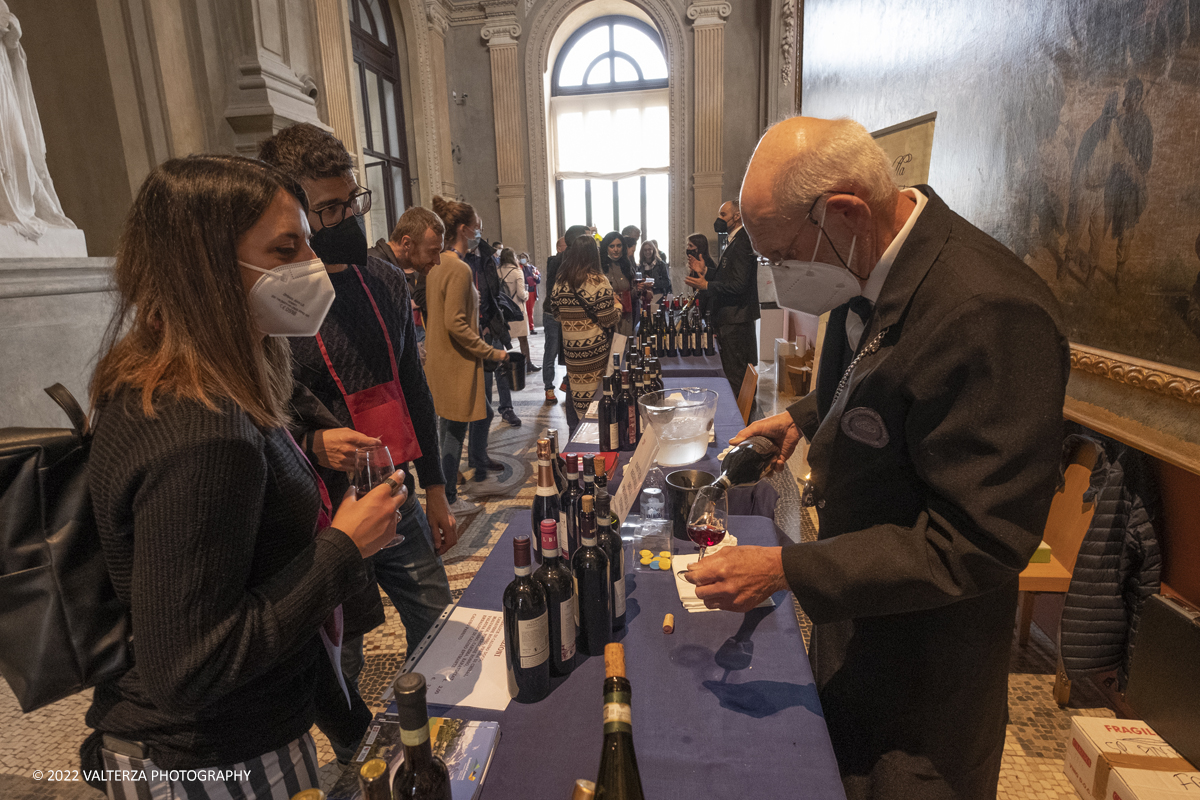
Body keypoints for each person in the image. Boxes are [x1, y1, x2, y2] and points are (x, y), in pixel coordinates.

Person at [682, 116, 1070, 799]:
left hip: (926, 674)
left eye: (778, 258)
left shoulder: (989, 314)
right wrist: (805, 418)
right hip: (859, 619)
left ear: (845, 212)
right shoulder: (867, 259)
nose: (775, 277)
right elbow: (877, 380)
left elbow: (974, 544)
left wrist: (786, 568)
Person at [82, 155, 406, 798]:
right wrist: (342, 546)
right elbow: (190, 667)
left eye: (307, 246)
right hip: (205, 759)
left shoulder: (199, 381)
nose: (309, 268)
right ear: (205, 267)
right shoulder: (202, 432)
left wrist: (309, 446)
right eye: (284, 250)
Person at [257, 125, 456, 762]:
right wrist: (314, 440)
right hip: (322, 508)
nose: (347, 220)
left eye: (353, 202)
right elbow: (258, 405)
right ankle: (363, 755)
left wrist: (436, 487)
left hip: (391, 483)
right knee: (340, 644)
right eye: (329, 210)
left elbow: (415, 388)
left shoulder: (386, 279)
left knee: (434, 608)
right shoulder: (275, 293)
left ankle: (445, 720)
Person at [427, 196, 508, 505]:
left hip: (442, 359)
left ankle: (461, 477)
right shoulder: (458, 269)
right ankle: (447, 494)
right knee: (453, 432)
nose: (480, 234)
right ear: (463, 229)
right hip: (456, 362)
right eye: (478, 228)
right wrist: (493, 352)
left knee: (455, 425)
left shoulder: (437, 264)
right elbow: (456, 324)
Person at [685, 200, 759, 394]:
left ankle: (740, 420)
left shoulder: (742, 241)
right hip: (731, 318)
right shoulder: (735, 239)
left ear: (737, 216)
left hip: (736, 320)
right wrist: (707, 271)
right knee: (732, 371)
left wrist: (707, 285)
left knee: (736, 375)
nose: (719, 220)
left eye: (723, 215)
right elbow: (728, 277)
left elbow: (739, 286)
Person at [551, 236, 622, 428]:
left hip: (572, 348)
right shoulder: (598, 281)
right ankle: (594, 429)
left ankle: (577, 429)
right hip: (593, 347)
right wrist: (618, 305)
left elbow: (556, 313)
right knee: (595, 391)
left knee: (576, 388)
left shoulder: (561, 280)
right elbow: (609, 319)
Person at [542, 225, 590, 403]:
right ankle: (548, 387)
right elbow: (556, 289)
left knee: (571, 350)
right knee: (552, 351)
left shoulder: (581, 262)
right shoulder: (556, 261)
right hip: (553, 314)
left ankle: (566, 381)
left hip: (571, 314)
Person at [498, 247, 533, 372]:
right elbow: (521, 294)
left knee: (503, 340)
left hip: (502, 310)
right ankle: (527, 363)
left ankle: (503, 366)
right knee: (523, 339)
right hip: (516, 309)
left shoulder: (497, 271)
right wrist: (527, 293)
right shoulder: (517, 271)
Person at [599, 230, 638, 336]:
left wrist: (639, 290)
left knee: (626, 347)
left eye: (619, 246)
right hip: (609, 316)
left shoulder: (626, 265)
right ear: (606, 247)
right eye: (612, 246)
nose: (615, 250)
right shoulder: (600, 266)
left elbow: (631, 293)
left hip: (627, 315)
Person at [520, 251, 540, 337]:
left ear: (527, 259)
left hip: (531, 291)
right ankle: (524, 328)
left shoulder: (533, 268)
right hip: (522, 291)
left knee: (530, 311)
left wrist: (536, 277)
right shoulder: (519, 268)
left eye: (524, 257)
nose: (522, 258)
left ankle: (531, 328)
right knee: (523, 311)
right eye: (521, 257)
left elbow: (539, 279)